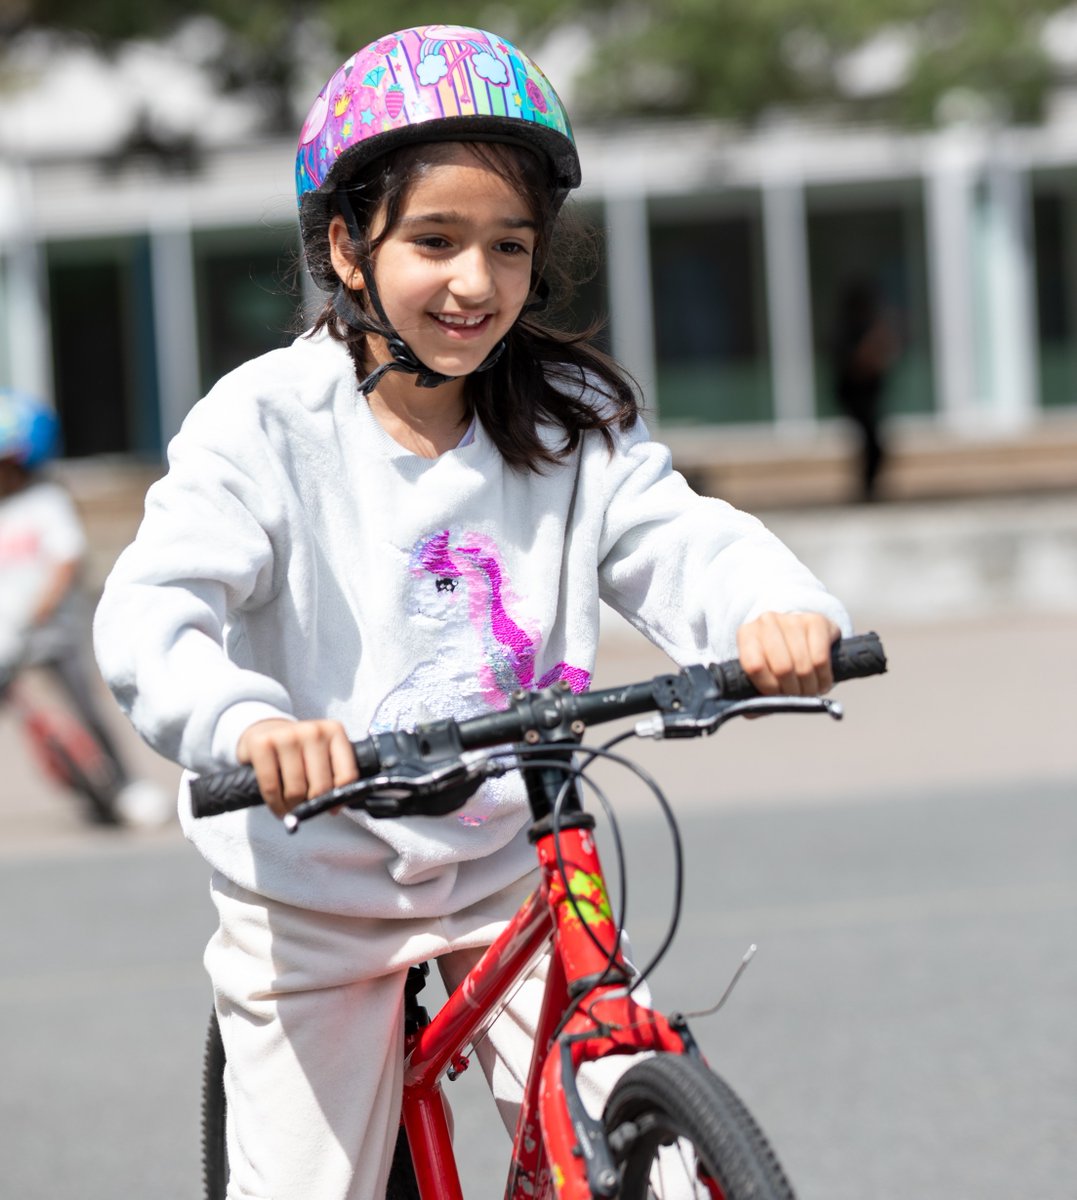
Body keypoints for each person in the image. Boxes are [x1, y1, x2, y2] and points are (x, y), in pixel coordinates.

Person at [94, 25, 853, 1200]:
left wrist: (775, 614)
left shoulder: (569, 414)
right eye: (435, 240)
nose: (475, 282)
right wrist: (251, 727)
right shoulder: (264, 424)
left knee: (634, 1123)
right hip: (317, 883)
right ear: (349, 248)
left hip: (514, 858)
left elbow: (684, 540)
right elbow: (153, 617)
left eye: (509, 246)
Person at [0, 389, 171, 826]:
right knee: (40, 731)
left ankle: (123, 785)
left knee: (83, 714)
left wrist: (38, 609)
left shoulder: (45, 503)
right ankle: (92, 793)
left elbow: (65, 560)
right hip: (7, 640)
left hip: (49, 635)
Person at [832, 278, 900, 502]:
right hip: (855, 395)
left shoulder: (870, 326)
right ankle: (867, 488)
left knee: (874, 444)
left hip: (869, 395)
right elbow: (855, 363)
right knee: (871, 442)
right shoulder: (848, 332)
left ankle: (870, 487)